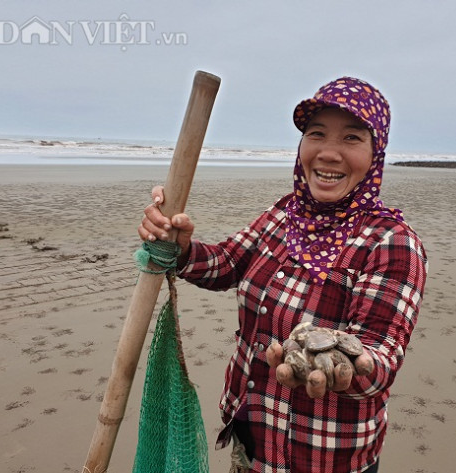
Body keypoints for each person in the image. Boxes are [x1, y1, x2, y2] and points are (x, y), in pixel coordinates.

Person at [139, 77, 428, 473]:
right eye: (316, 134)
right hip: (253, 440)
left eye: (351, 138)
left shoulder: (392, 243)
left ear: (376, 153)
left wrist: (329, 364)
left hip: (321, 457)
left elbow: (379, 361)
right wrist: (181, 247)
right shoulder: (284, 215)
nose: (328, 153)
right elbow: (225, 264)